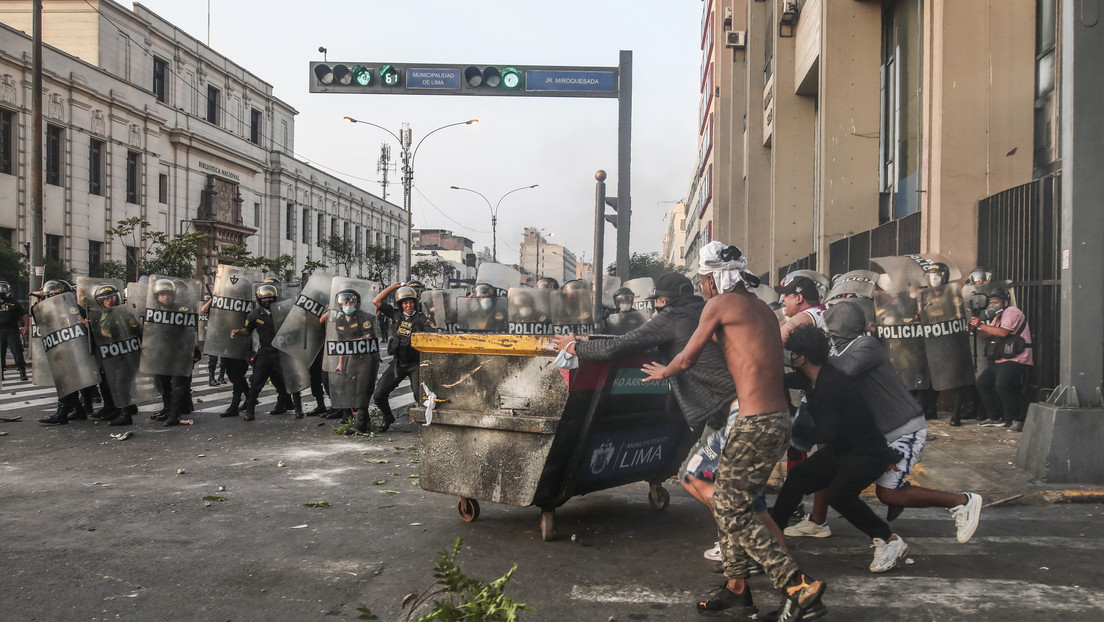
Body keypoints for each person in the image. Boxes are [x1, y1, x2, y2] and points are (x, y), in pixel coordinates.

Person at [642, 242, 825, 622]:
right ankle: (737, 588)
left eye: (703, 280)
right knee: (724, 497)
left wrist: (665, 369)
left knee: (729, 507)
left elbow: (688, 355)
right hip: (775, 419)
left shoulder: (719, 305)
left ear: (713, 278)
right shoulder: (760, 307)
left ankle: (797, 585)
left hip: (754, 422)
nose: (702, 287)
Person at [552, 273, 786, 569]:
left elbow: (618, 348)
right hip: (752, 409)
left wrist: (574, 347)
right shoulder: (703, 311)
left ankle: (752, 546)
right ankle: (757, 560)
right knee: (751, 501)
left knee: (697, 478)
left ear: (661, 300)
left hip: (729, 414)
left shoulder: (672, 316)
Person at [825, 299, 982, 539]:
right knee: (842, 480)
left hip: (903, 429)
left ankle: (962, 501)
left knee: (887, 493)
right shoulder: (840, 350)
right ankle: (899, 493)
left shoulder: (865, 344)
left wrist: (812, 356)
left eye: (830, 327)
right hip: (879, 434)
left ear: (839, 327)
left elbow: (844, 371)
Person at [775, 324, 911, 574]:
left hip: (866, 452)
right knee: (797, 478)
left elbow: (828, 432)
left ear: (802, 357)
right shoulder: (814, 376)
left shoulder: (832, 384)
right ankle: (773, 534)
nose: (790, 356)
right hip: (844, 449)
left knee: (839, 495)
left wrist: (787, 432)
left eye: (793, 352)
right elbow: (784, 378)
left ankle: (889, 540)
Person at [774, 276, 829, 539]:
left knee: (798, 448)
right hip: (825, 391)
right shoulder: (824, 313)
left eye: (786, 295)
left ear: (799, 297)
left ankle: (793, 506)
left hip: (820, 395)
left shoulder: (808, 315)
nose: (782, 300)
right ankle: (817, 518)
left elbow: (779, 338)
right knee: (824, 455)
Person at [230, 283, 303, 421]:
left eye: (270, 298)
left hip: (283, 352)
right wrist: (238, 332)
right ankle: (250, 411)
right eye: (264, 299)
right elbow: (248, 331)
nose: (267, 301)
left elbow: (296, 327)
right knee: (256, 383)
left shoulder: (284, 311)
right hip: (265, 352)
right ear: (259, 299)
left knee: (291, 381)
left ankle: (298, 409)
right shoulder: (254, 315)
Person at [372, 282, 433, 432]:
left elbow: (433, 336)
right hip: (399, 363)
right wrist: (394, 287)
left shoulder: (422, 318)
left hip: (416, 364)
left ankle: (426, 427)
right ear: (401, 305)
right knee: (379, 394)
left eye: (411, 302)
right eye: (405, 303)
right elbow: (377, 301)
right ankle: (388, 417)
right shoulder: (396, 315)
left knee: (420, 397)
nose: (408, 305)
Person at [972, 288, 1033, 432]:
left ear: (1005, 302)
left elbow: (1003, 332)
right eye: (991, 302)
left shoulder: (1012, 312)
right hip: (1002, 359)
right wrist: (975, 329)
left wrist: (981, 325)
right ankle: (995, 417)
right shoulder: (997, 317)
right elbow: (986, 334)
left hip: (1017, 358)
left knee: (1002, 385)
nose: (993, 305)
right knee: (982, 383)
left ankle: (1017, 419)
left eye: (996, 302)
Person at [0, 281, 29, 381]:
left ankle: (22, 371)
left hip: (11, 328)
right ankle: (1, 372)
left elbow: (23, 314)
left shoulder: (13, 302)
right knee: (0, 352)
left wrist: (25, 326)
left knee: (17, 350)